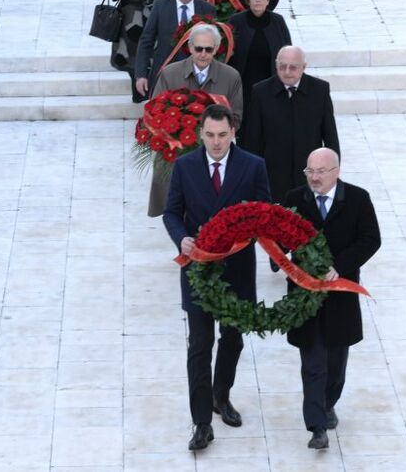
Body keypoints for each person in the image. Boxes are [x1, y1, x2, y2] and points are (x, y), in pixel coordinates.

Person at [162, 104, 271, 450]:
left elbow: (263, 214)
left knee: (233, 338)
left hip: (237, 270)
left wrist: (243, 235)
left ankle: (220, 395)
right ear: (201, 134)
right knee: (199, 345)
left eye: (222, 135)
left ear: (232, 132)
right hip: (198, 271)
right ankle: (201, 422)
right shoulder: (185, 166)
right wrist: (182, 238)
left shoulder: (254, 166)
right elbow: (171, 212)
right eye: (209, 135)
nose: (216, 142)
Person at [283, 148, 380, 450]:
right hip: (305, 294)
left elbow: (371, 239)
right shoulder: (294, 200)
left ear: (336, 171)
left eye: (320, 172)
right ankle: (317, 427)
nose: (313, 177)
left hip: (340, 293)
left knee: (336, 359)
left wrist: (339, 266)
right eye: (309, 171)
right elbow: (280, 237)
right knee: (312, 360)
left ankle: (328, 402)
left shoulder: (358, 199)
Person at [147, 24, 243, 217]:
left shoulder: (231, 76)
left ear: (216, 49)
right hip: (176, 153)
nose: (203, 54)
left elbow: (237, 118)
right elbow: (153, 113)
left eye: (208, 49)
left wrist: (210, 135)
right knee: (176, 212)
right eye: (198, 48)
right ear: (190, 47)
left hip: (214, 152)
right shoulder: (170, 73)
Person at [242, 46, 339, 203]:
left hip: (310, 175)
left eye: (293, 67)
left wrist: (332, 172)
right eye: (282, 66)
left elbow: (330, 136)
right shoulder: (260, 92)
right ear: (276, 65)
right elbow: (253, 139)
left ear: (304, 67)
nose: (287, 72)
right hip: (273, 176)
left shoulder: (319, 90)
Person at [133, 0, 215, 99]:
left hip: (198, 75)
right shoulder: (160, 6)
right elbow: (146, 41)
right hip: (164, 73)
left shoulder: (207, 9)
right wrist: (141, 74)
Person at [227, 0, 291, 110]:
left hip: (271, 80)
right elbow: (228, 51)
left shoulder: (278, 21)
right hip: (244, 81)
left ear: (268, 1)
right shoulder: (236, 20)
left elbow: (288, 50)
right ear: (248, 0)